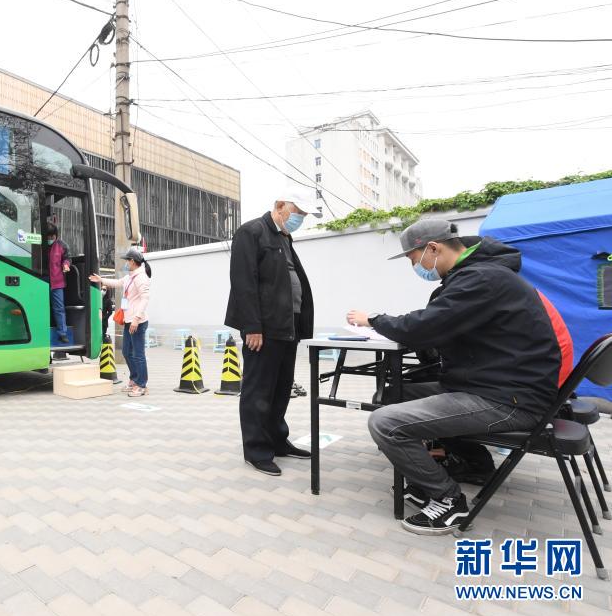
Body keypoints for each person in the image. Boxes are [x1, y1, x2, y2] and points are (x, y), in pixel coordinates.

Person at [347, 219, 561, 535]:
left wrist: (374, 320)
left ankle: (447, 499)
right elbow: (438, 326)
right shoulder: (477, 275)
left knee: (385, 423)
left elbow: (426, 327)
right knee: (394, 394)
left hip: (508, 399)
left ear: (433, 248)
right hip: (491, 385)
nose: (415, 266)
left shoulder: (481, 279)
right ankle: (471, 464)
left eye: (413, 259)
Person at [225, 189, 321, 476]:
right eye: (297, 213)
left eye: (303, 216)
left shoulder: (283, 237)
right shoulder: (251, 232)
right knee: (258, 390)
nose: (300, 219)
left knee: (281, 388)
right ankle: (256, 449)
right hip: (263, 329)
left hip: (286, 326)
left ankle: (277, 440)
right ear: (280, 206)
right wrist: (252, 327)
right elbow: (244, 283)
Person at [90, 249, 151, 397]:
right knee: (126, 352)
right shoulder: (130, 276)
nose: (126, 263)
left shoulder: (141, 277)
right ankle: (134, 380)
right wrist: (101, 280)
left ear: (133, 262)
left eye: (127, 260)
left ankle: (141, 385)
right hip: (128, 321)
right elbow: (118, 282)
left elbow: (145, 298)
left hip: (137, 322)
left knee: (138, 354)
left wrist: (136, 319)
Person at [46, 223, 72, 343]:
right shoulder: (39, 245)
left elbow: (67, 258)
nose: (50, 239)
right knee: (42, 307)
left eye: (52, 237)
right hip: (42, 281)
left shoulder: (62, 245)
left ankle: (62, 333)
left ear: (56, 235)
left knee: (59, 308)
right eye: (48, 237)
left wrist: (66, 264)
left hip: (57, 283)